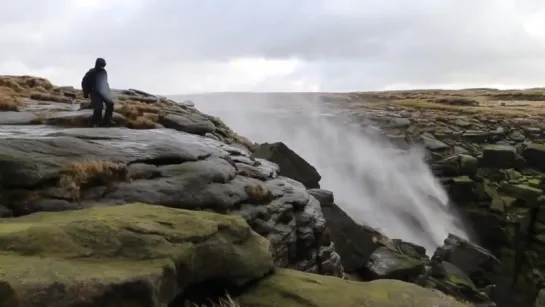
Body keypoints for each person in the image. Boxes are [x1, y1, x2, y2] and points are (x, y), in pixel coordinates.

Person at [81, 58, 115, 127]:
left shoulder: (104, 72)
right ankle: (95, 122)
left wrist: (108, 93)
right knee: (99, 107)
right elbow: (84, 82)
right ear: (97, 65)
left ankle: (107, 120)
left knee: (110, 103)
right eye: (101, 66)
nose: (102, 68)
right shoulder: (91, 72)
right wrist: (86, 93)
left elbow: (105, 83)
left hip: (102, 92)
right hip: (94, 92)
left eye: (103, 66)